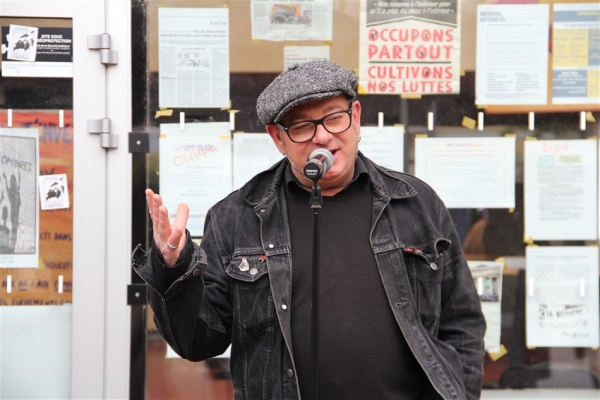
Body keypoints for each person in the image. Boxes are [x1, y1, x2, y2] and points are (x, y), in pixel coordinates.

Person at [133, 60, 486, 399]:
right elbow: (197, 342)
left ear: (357, 118)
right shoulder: (235, 217)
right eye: (302, 127)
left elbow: (463, 323)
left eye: (335, 118)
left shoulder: (416, 203)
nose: (323, 138)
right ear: (277, 138)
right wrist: (172, 267)